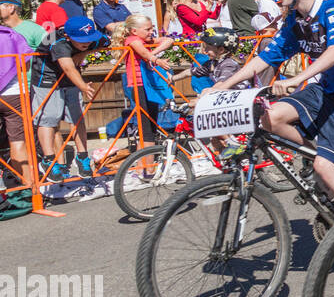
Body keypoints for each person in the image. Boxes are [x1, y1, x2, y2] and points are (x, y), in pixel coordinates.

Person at [213, 0, 334, 272]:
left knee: (326, 167)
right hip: (325, 87)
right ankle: (321, 163)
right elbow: (268, 56)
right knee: (270, 118)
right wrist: (224, 85)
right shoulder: (295, 19)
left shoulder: (331, 10)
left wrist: (298, 79)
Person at [29, 16, 106, 182]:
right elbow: (68, 67)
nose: (86, 43)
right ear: (68, 37)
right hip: (47, 80)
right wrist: (84, 86)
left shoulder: (91, 39)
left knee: (77, 117)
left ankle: (83, 157)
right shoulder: (57, 41)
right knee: (49, 118)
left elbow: (106, 41)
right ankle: (49, 160)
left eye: (89, 39)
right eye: (81, 41)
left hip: (70, 81)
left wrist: (86, 51)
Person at [114, 14, 176, 155]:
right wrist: (155, 59)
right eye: (147, 29)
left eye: (152, 28)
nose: (151, 32)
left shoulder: (146, 41)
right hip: (138, 84)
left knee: (151, 122)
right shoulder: (132, 40)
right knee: (146, 126)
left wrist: (153, 52)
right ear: (134, 31)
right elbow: (141, 51)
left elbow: (169, 40)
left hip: (149, 84)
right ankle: (145, 165)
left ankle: (147, 161)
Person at [0, 0, 40, 196]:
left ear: (11, 7)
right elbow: (24, 59)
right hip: (14, 91)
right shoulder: (10, 35)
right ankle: (28, 188)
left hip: (21, 89)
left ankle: (24, 186)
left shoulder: (32, 28)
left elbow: (48, 44)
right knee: (18, 141)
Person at [170, 26, 246, 89]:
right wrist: (172, 78)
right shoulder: (213, 63)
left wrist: (202, 97)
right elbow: (191, 72)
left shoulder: (228, 65)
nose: (204, 51)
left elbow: (221, 85)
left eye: (208, 48)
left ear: (221, 50)